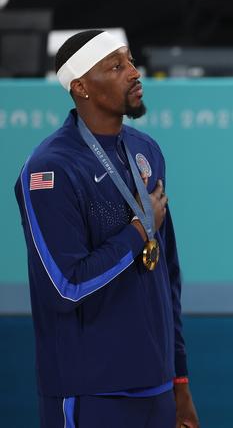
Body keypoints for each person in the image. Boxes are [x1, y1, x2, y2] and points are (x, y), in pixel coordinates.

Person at [14, 30, 199, 427]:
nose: (134, 73)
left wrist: (179, 379)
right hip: (90, 390)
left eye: (131, 61)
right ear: (80, 87)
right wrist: (137, 232)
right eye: (116, 66)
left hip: (157, 386)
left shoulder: (146, 151)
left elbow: (168, 275)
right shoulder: (50, 169)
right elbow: (66, 286)